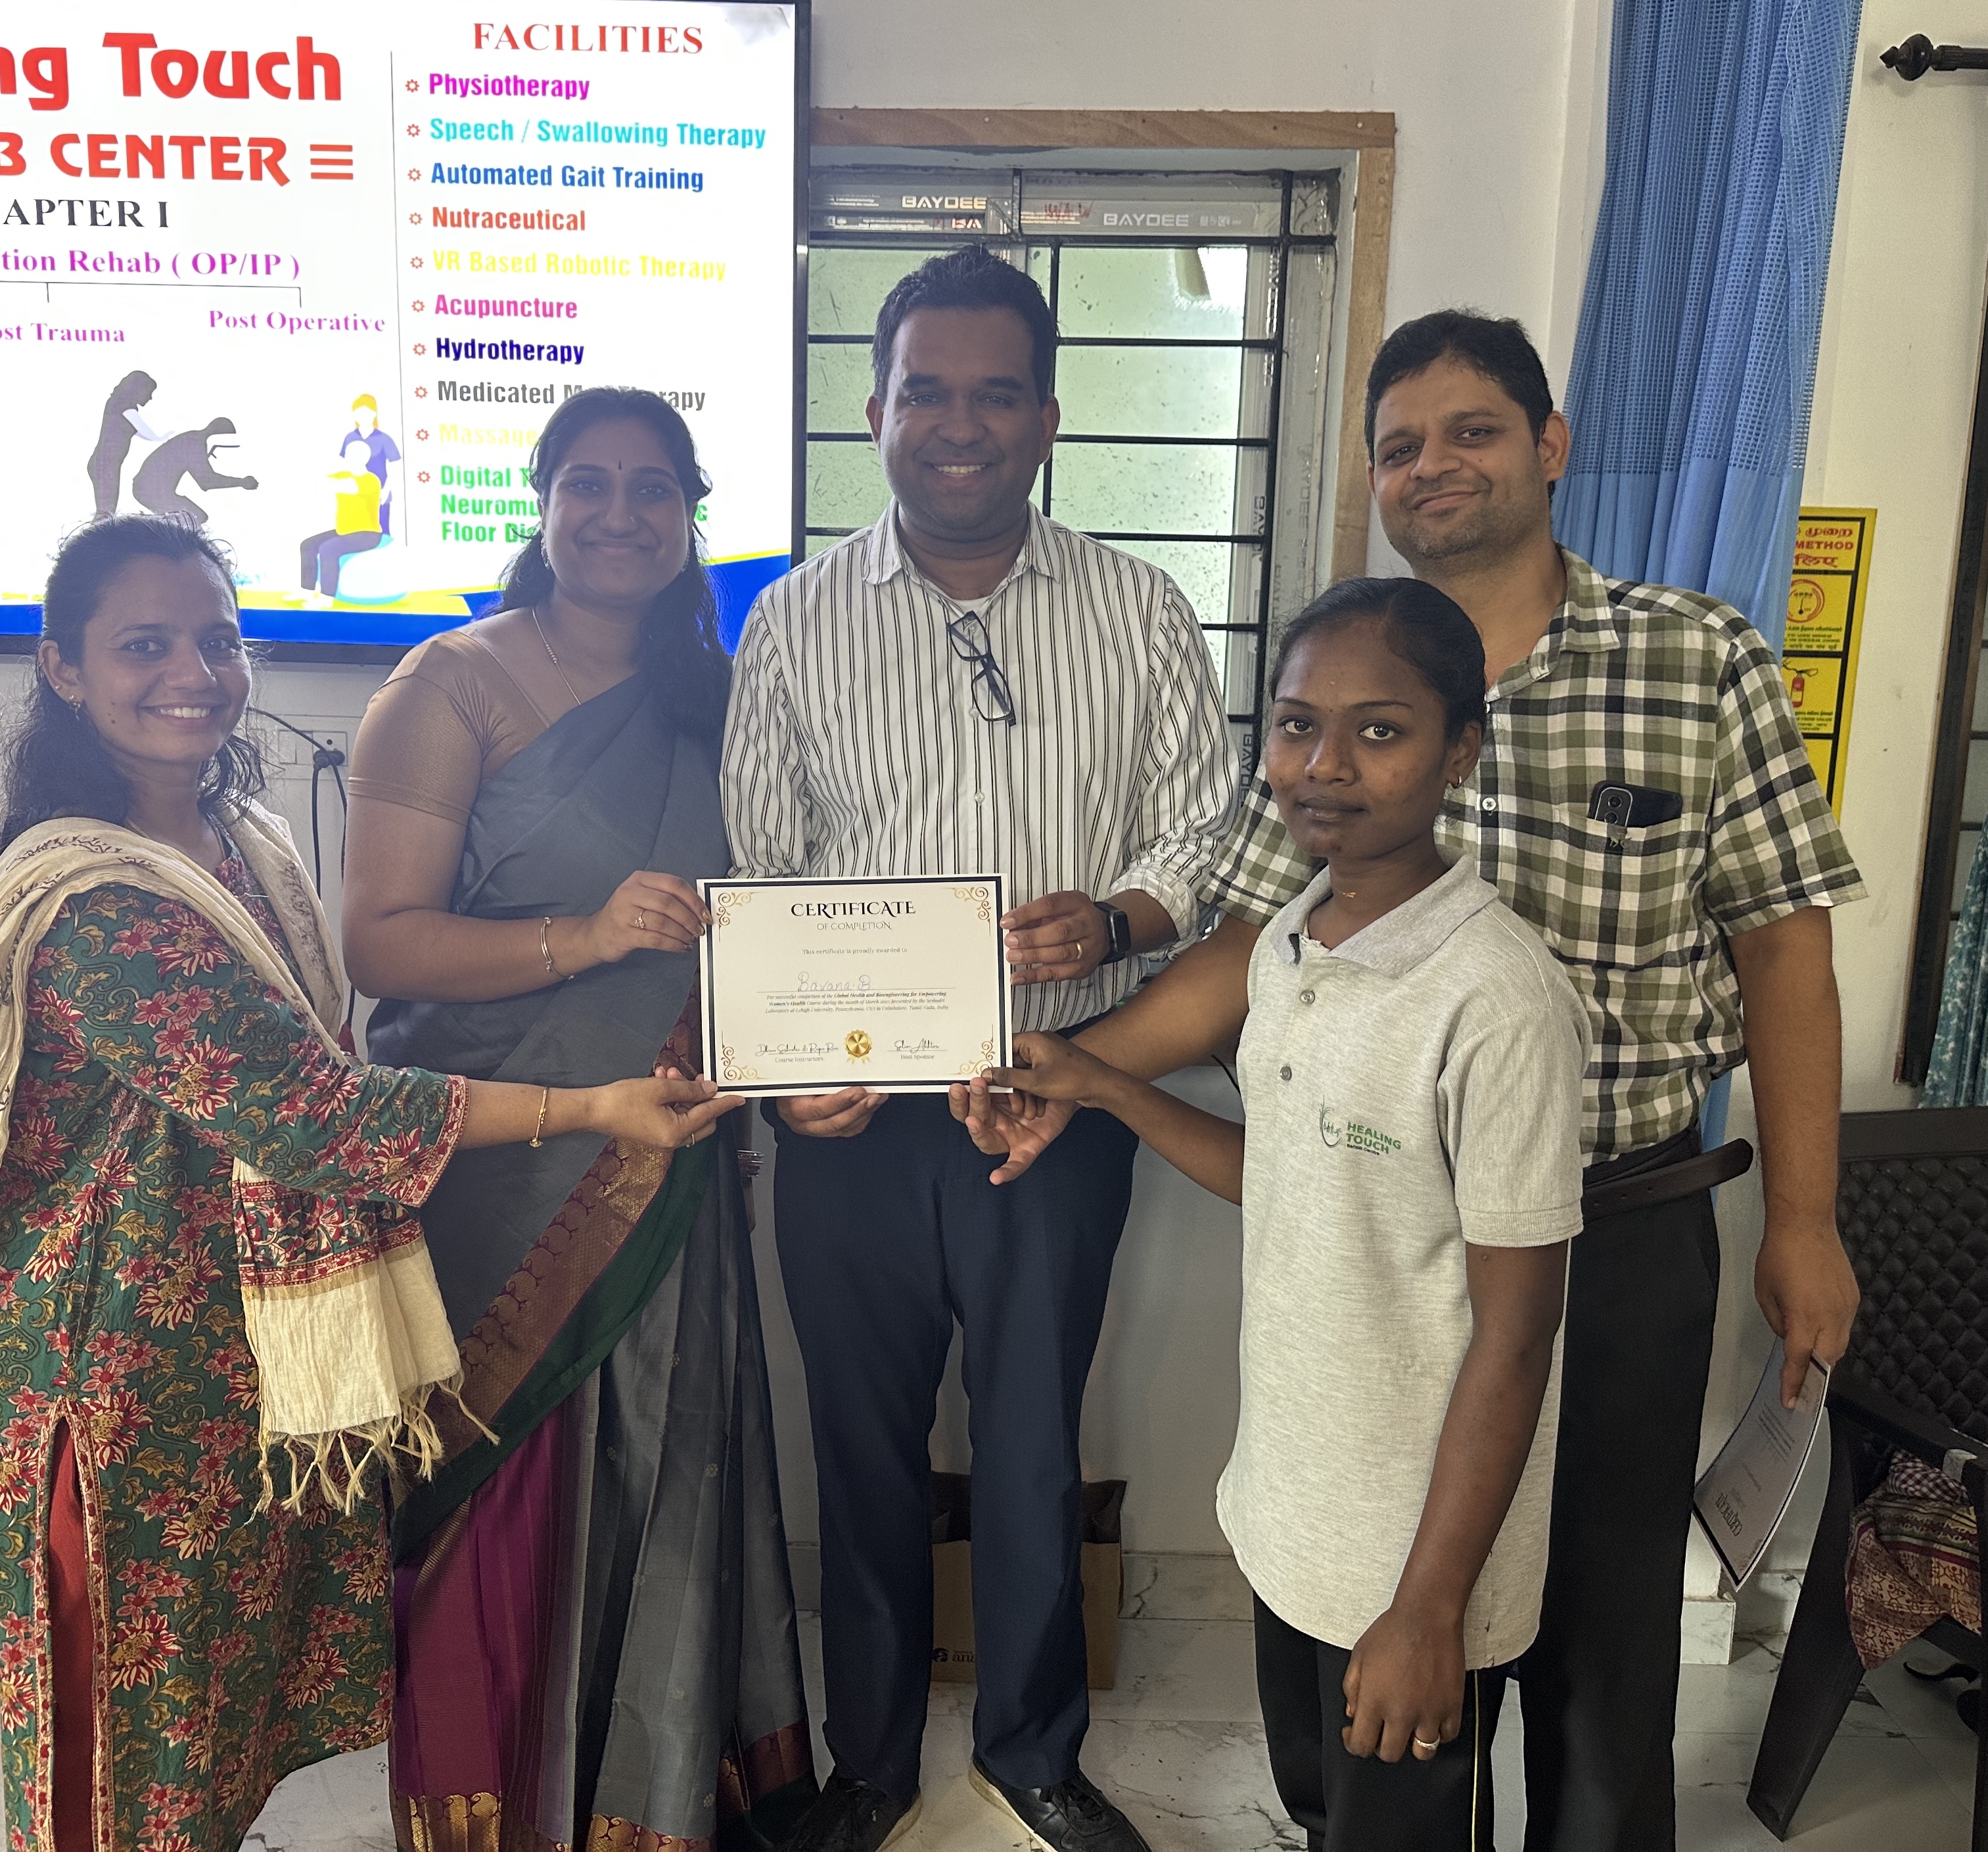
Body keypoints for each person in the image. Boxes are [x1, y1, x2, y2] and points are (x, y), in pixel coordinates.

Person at [961, 310, 1866, 1852]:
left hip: (1613, 1223)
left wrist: (1807, 1219)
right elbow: (1246, 943)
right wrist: (1079, 1068)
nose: (1432, 467)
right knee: (1376, 1612)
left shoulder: (1692, 659)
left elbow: (1784, 953)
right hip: (1375, 1227)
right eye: (1399, 446)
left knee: (1595, 1632)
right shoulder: (1335, 683)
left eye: (1471, 432)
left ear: (1548, 448)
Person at [0, 511, 737, 1852]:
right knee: (121, 1743)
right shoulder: (96, 899)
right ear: (62, 669)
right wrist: (588, 1106)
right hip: (114, 1385)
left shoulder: (238, 842)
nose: (195, 672)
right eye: (144, 646)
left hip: (236, 1363)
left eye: (218, 640)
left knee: (214, 1720)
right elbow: (313, 1114)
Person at [724, 244, 1236, 1852]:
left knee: (1029, 1434)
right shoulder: (797, 619)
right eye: (927, 391)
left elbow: (1208, 829)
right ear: (873, 409)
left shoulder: (1140, 609)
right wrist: (801, 1070)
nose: (961, 423)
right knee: (859, 1445)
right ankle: (870, 1762)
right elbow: (761, 861)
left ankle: (1031, 1749)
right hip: (855, 1122)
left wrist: (1126, 921)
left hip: (1061, 1097)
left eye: (996, 391)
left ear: (1049, 416)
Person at [984, 577, 1586, 1852]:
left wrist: (1428, 1608)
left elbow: (1518, 1332)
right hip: (1296, 1515)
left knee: (1405, 1832)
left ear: (1459, 749)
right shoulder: (1290, 943)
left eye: (1379, 731)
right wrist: (1099, 1085)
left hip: (1420, 1559)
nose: (1326, 766)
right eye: (1298, 725)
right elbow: (1292, 1176)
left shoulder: (1494, 996)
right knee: (1322, 1811)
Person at [344, 387, 816, 1852]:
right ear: (541, 506)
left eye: (655, 490)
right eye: (591, 486)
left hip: (667, 1142)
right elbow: (381, 947)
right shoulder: (451, 686)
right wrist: (587, 937)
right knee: (509, 1477)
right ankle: (492, 1805)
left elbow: (771, 919)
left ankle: (653, 1800)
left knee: (666, 1460)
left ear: (691, 518)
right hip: (499, 1155)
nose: (623, 515)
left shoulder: (722, 695)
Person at [300, 436, 386, 605]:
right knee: (308, 545)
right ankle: (307, 591)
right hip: (343, 531)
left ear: (365, 457)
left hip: (368, 533)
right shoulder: (342, 475)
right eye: (349, 454)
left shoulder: (371, 480)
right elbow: (320, 482)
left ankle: (327, 597)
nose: (350, 457)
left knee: (328, 549)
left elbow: (347, 487)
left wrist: (330, 482)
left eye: (355, 454)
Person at [133, 417, 260, 527]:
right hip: (151, 490)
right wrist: (241, 482)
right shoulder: (194, 442)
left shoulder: (192, 439)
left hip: (150, 489)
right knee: (195, 517)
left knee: (192, 517)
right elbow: (206, 482)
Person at [86, 370, 166, 517]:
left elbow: (138, 430)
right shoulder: (122, 405)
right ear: (138, 389)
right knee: (106, 512)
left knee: (107, 511)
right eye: (149, 392)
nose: (150, 398)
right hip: (105, 465)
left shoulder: (122, 405)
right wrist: (161, 438)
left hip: (107, 464)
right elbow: (141, 428)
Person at [341, 392, 402, 532]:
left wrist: (386, 490)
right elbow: (344, 465)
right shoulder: (350, 437)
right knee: (356, 533)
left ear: (374, 413)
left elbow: (396, 467)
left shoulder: (384, 439)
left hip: (379, 494)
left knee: (382, 532)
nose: (362, 416)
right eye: (358, 412)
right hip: (356, 494)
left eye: (366, 412)